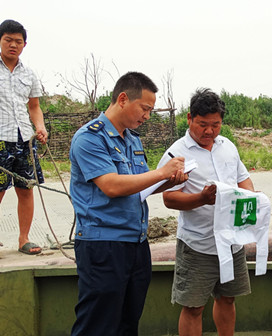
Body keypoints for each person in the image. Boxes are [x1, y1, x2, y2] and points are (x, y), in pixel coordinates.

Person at [69, 71, 187, 336]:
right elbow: (111, 185)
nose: (146, 116)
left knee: (127, 323)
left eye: (150, 110)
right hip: (103, 245)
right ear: (123, 99)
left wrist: (171, 179)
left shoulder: (132, 140)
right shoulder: (90, 138)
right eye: (144, 108)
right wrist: (160, 172)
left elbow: (139, 187)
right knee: (97, 325)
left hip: (136, 244)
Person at [159, 88, 254, 336]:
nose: (209, 131)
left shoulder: (227, 147)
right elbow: (169, 199)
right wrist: (201, 198)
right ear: (189, 118)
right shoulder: (175, 153)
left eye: (216, 124)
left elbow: (244, 180)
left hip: (231, 242)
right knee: (193, 307)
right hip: (198, 244)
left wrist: (251, 202)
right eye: (202, 124)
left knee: (228, 299)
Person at [0, 19, 47, 255]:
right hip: (0, 138)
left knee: (26, 189)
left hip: (24, 141)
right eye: (8, 40)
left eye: (18, 41)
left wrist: (40, 127)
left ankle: (23, 239)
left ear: (24, 45)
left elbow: (34, 106)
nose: (13, 45)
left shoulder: (29, 74)